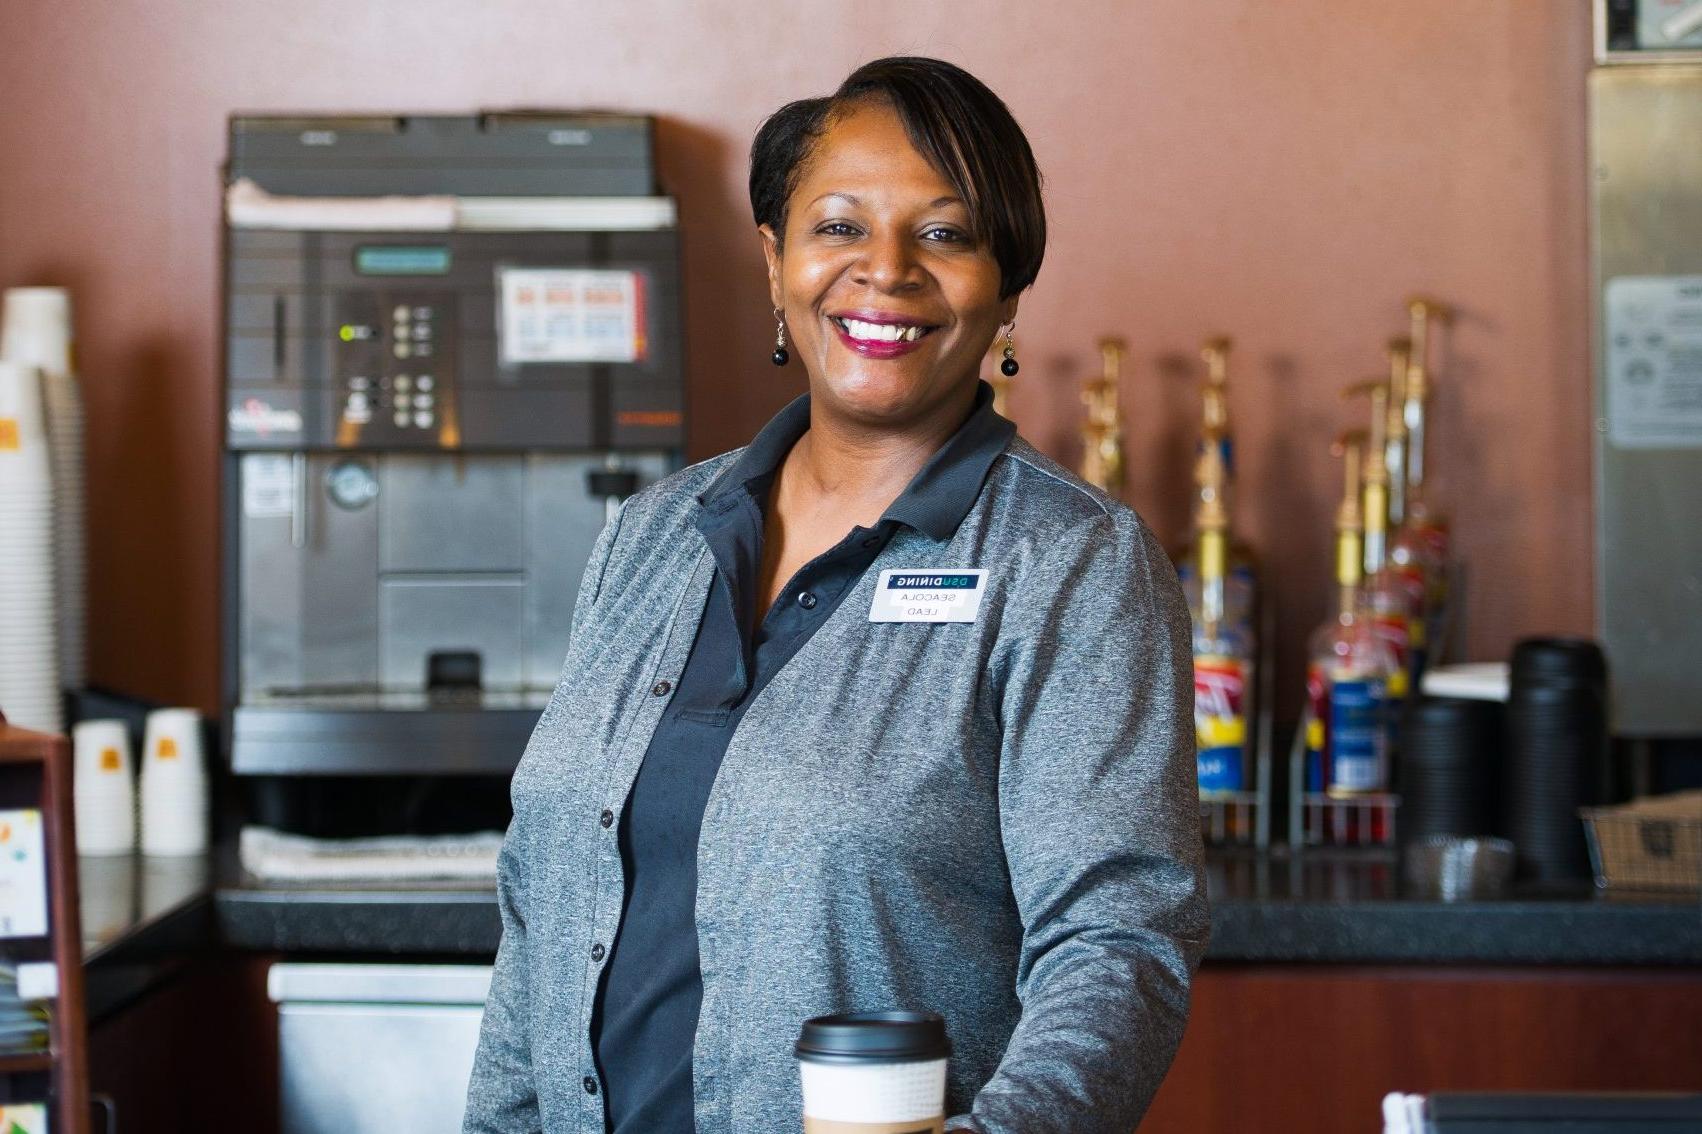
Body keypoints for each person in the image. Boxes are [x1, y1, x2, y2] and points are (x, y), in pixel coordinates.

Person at [464, 56, 1208, 1134]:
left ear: (1006, 289)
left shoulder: (1071, 564)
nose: (887, 270)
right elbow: (540, 909)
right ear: (775, 263)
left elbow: (1119, 939)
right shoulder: (651, 537)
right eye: (839, 228)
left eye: (945, 235)